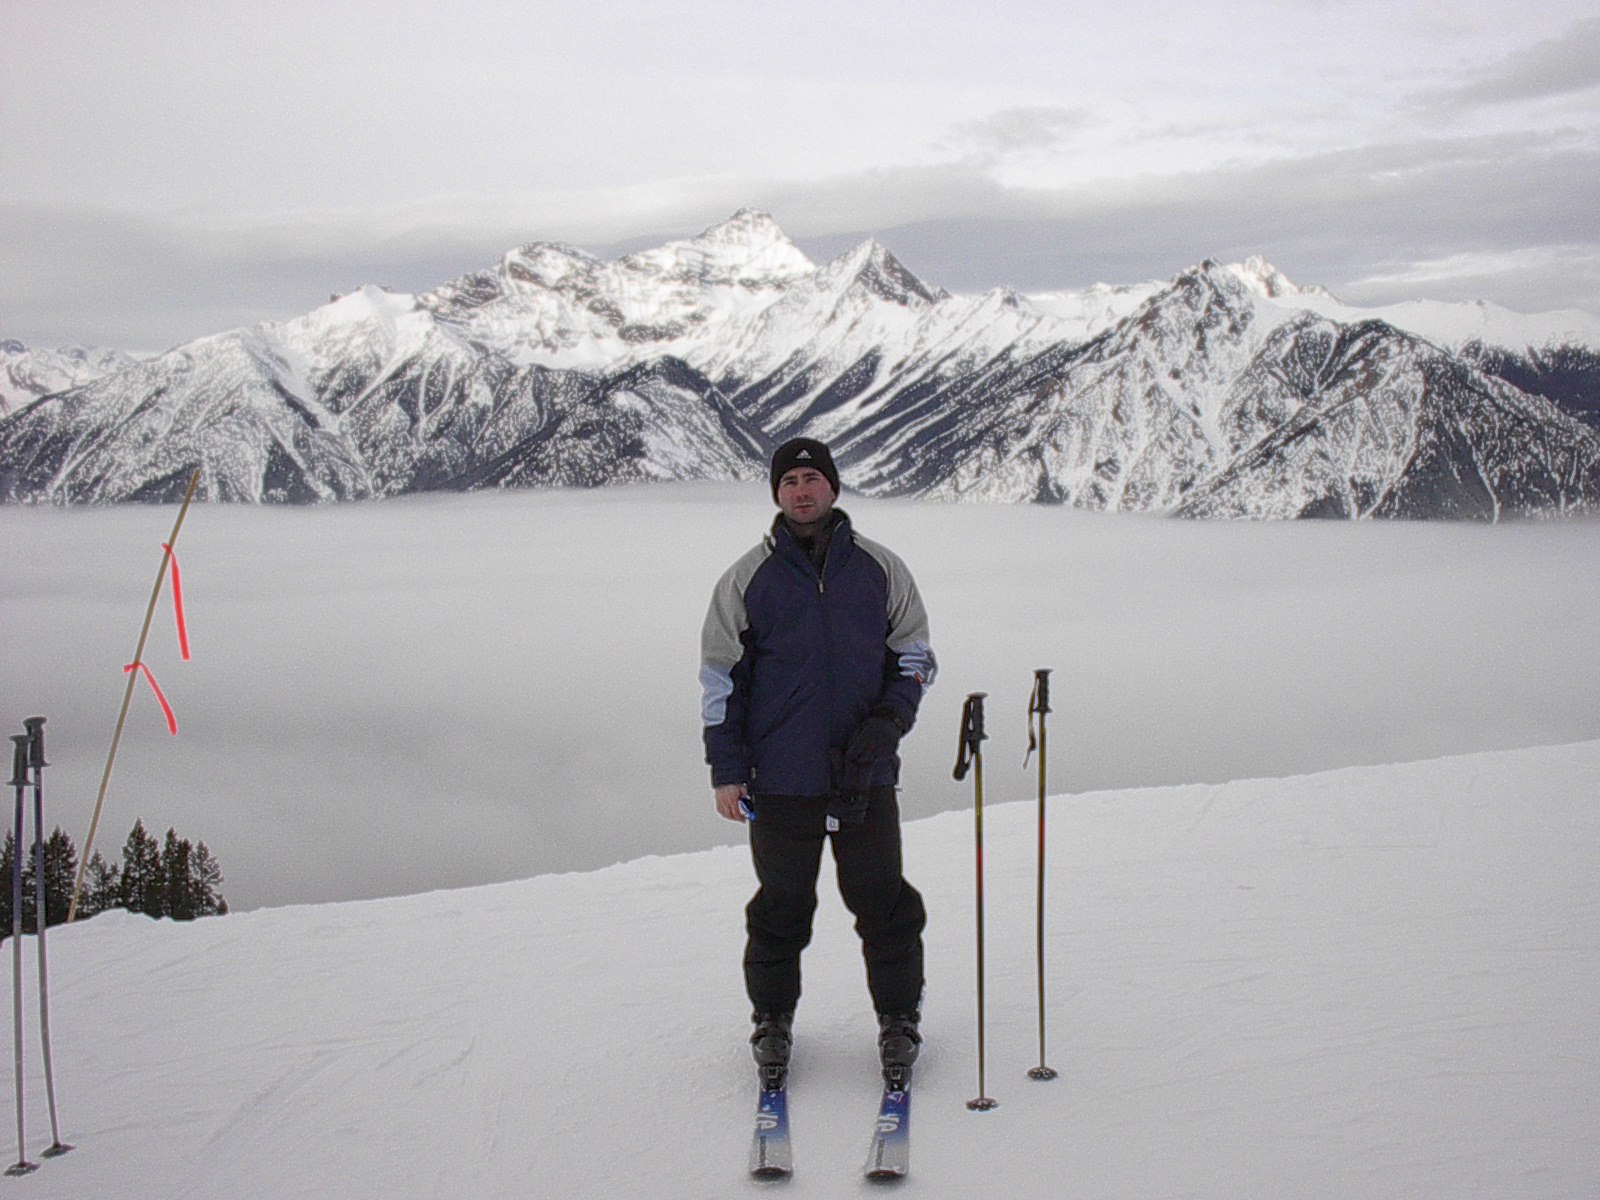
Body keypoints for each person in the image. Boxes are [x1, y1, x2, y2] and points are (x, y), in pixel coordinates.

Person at [700, 437, 936, 1090]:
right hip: (780, 781)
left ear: (833, 486)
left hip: (865, 774)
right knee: (781, 910)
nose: (801, 491)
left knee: (884, 904)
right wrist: (727, 771)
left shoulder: (881, 569)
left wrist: (889, 721)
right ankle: (771, 1022)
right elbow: (720, 681)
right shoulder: (747, 579)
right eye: (789, 482)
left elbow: (915, 655)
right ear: (776, 494)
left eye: (811, 479)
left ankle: (899, 1019)